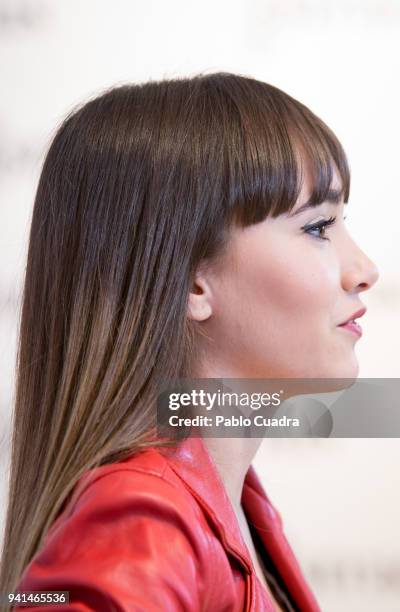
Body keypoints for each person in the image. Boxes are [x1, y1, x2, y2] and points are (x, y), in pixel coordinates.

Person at [0, 72, 379, 611]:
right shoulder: (145, 517)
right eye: (318, 227)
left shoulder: (230, 507)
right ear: (191, 281)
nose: (365, 270)